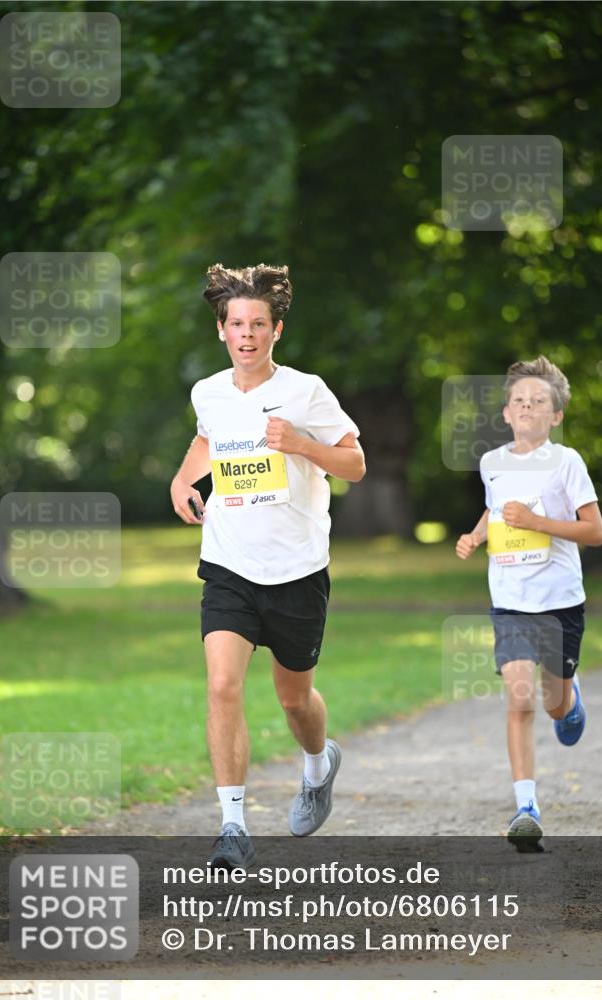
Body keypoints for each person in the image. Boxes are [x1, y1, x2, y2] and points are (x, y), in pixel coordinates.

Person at [170, 263, 365, 868]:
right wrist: (182, 480)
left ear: (276, 330)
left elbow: (355, 464)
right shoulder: (208, 392)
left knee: (294, 699)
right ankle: (232, 826)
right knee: (222, 684)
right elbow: (208, 439)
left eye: (258, 324)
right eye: (237, 324)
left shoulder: (307, 391)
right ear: (221, 331)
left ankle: (318, 764)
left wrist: (301, 444)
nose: (247, 334)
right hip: (228, 564)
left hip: (297, 570)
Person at [455, 355, 602, 847]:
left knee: (554, 708)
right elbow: (495, 510)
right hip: (511, 601)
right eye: (518, 400)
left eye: (538, 401)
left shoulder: (567, 463)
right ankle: (526, 807)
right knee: (519, 698)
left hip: (559, 601)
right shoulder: (492, 463)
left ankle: (570, 699)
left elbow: (595, 532)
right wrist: (476, 536)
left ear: (556, 415)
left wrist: (538, 523)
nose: (526, 406)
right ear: (505, 413)